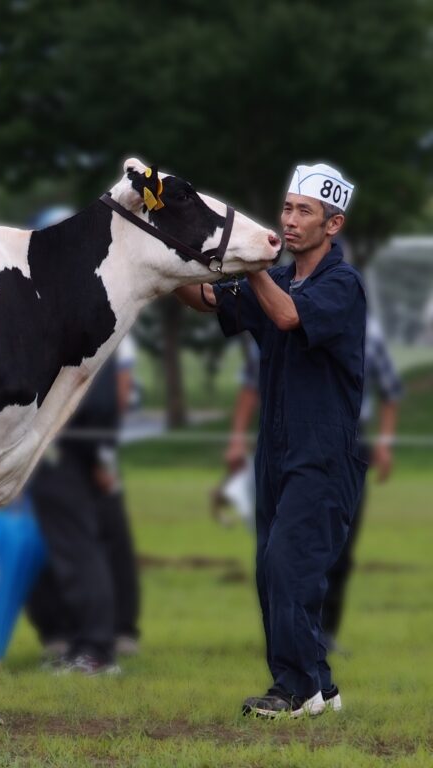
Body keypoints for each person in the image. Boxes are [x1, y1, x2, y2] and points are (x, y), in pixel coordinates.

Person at [174, 163, 367, 718]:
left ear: (334, 225)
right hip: (276, 451)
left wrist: (253, 263)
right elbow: (205, 298)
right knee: (271, 571)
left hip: (323, 453)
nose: (289, 220)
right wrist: (167, 256)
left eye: (303, 211)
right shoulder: (278, 278)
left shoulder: (340, 285)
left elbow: (285, 318)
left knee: (290, 565)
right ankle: (320, 686)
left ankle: (296, 689)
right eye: (286, 208)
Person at [225, 314, 402, 655]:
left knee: (339, 542)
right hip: (289, 432)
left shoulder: (368, 328)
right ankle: (289, 634)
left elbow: (390, 389)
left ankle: (323, 633)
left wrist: (384, 443)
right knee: (281, 543)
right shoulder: (278, 315)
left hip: (347, 435)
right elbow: (251, 384)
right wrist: (236, 440)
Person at [25, 335, 141, 675]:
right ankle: (86, 640)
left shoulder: (78, 321)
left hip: (65, 445)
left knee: (78, 548)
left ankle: (95, 649)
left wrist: (102, 455)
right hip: (73, 444)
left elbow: (107, 397)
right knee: (77, 546)